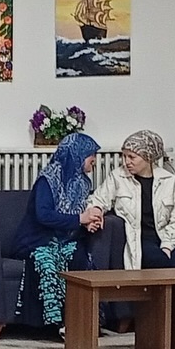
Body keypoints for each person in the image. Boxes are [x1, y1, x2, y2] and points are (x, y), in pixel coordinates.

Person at [13, 132, 102, 334]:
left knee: (80, 258)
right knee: (47, 261)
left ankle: (83, 319)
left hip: (67, 239)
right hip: (37, 240)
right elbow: (44, 215)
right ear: (77, 155)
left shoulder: (82, 182)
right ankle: (56, 323)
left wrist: (87, 223)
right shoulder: (48, 180)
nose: (94, 160)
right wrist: (80, 220)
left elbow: (78, 212)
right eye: (91, 155)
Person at [86, 130, 175, 270]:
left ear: (148, 157)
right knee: (158, 259)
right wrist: (96, 211)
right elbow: (98, 199)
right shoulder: (117, 177)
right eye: (124, 156)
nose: (127, 162)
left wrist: (168, 245)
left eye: (132, 157)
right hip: (138, 239)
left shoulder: (168, 180)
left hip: (168, 236)